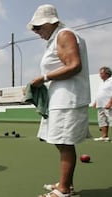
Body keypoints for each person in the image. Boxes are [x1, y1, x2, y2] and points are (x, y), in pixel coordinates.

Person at [28, 4, 90, 197]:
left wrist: (43, 78)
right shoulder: (55, 39)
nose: (37, 32)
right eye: (35, 28)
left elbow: (74, 65)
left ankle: (63, 190)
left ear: (50, 22)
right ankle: (66, 184)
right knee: (60, 142)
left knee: (64, 143)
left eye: (39, 27)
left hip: (68, 99)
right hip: (59, 99)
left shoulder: (64, 34)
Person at [92, 66, 112, 141]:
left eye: (101, 73)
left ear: (107, 74)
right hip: (100, 105)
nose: (100, 75)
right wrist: (95, 102)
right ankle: (104, 136)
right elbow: (100, 93)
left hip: (108, 105)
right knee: (102, 121)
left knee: (111, 120)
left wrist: (110, 103)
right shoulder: (101, 83)